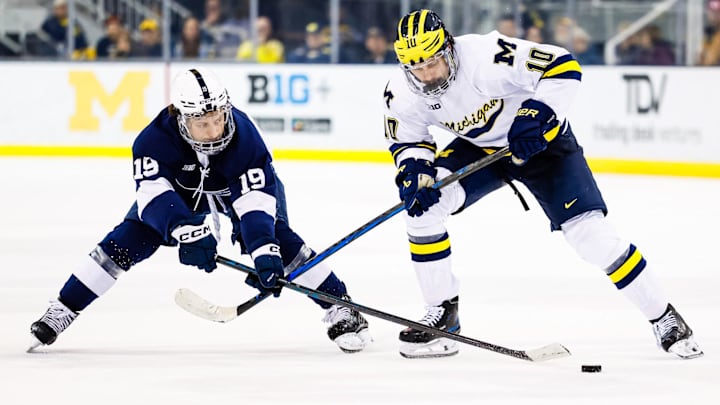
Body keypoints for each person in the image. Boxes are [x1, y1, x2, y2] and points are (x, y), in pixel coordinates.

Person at [382, 9, 703, 359]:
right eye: (416, 67)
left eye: (432, 62)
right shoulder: (402, 91)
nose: (426, 74)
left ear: (449, 48)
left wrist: (537, 113)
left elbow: (562, 66)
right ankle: (442, 319)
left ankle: (665, 317)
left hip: (543, 146)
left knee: (592, 238)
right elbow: (409, 139)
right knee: (422, 212)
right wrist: (417, 171)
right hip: (481, 149)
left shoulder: (487, 56)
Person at [28, 67, 371, 354]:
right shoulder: (153, 140)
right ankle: (64, 308)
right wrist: (185, 230)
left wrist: (264, 251)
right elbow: (152, 195)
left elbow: (254, 201)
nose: (212, 132)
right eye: (201, 124)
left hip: (233, 190)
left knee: (279, 242)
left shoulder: (245, 136)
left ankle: (342, 306)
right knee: (125, 240)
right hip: (180, 193)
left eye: (217, 120)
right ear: (181, 118)